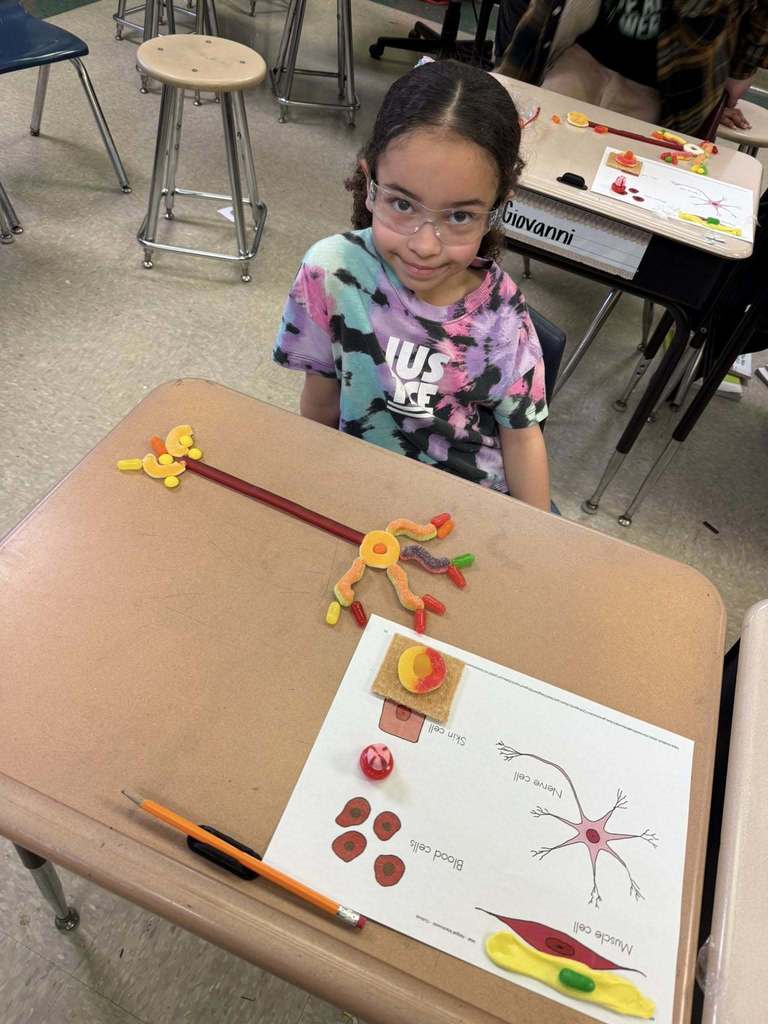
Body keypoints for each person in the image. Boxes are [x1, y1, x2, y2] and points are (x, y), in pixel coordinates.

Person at [273, 60, 551, 512]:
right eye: (402, 204)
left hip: (468, 502)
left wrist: (533, 537)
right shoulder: (331, 273)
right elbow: (321, 404)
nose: (424, 246)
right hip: (362, 489)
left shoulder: (503, 314)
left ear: (498, 208)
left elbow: (521, 439)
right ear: (370, 184)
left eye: (459, 216)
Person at [496, 1, 768, 135]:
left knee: (626, 180)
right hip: (582, 50)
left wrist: (740, 70)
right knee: (537, 148)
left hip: (667, 82)